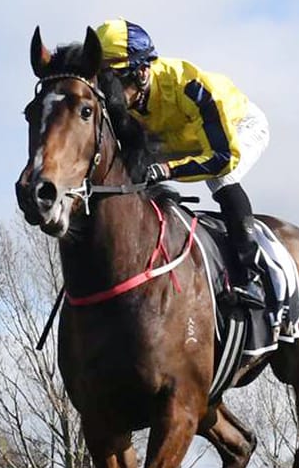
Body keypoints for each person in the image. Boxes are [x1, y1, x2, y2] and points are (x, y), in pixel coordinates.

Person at [94, 18, 269, 309]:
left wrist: (168, 170)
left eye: (115, 82)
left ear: (141, 72)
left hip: (237, 129)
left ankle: (250, 274)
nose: (111, 95)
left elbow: (222, 158)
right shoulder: (127, 95)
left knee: (220, 179)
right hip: (178, 138)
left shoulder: (189, 86)